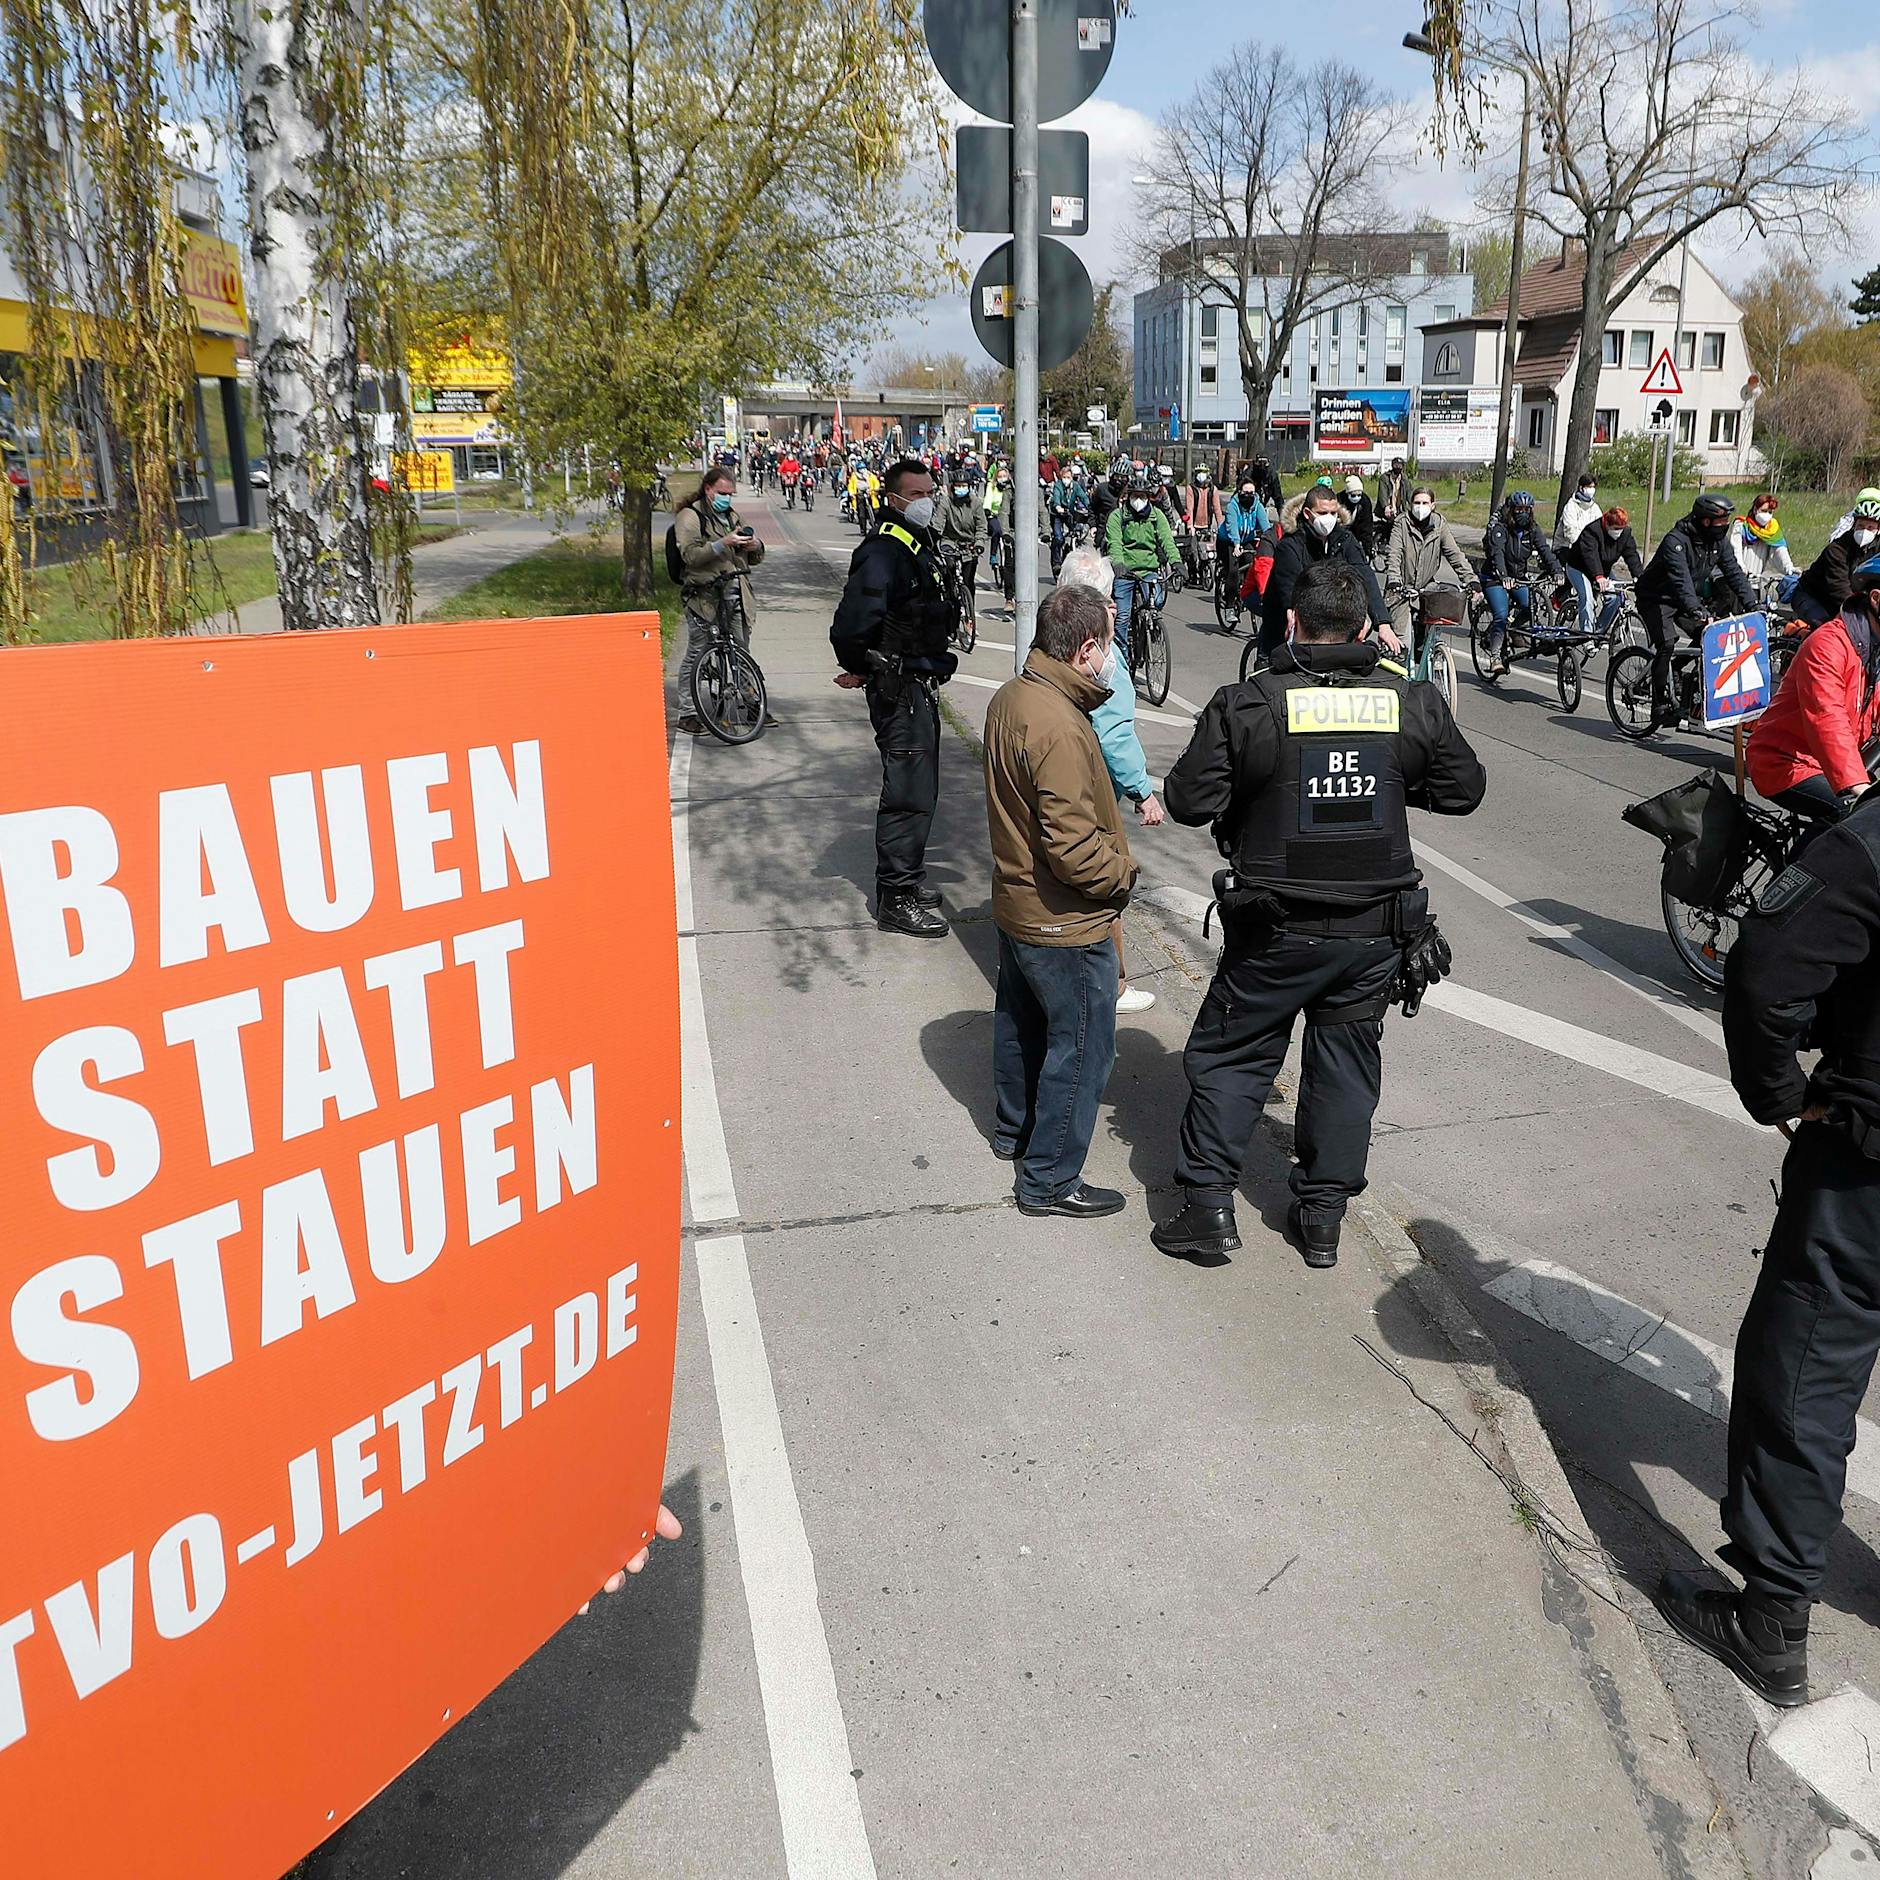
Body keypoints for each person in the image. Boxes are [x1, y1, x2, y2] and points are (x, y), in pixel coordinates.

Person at [1151, 562, 1486, 1265]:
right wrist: (1391, 778)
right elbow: (1462, 790)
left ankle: (1209, 1209)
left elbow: (1187, 801)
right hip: (1373, 933)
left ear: (1293, 623)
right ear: (1365, 628)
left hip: (1274, 928)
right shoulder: (1409, 699)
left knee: (1235, 1058)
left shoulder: (1251, 701)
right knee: (1344, 1070)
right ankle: (1323, 1220)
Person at [1655, 782, 1880, 1710]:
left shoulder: (1870, 842)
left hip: (1866, 1171)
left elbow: (1766, 967)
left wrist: (1780, 1094)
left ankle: (1773, 1621)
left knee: (1805, 1368)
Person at [983, 582, 1139, 1219]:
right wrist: (1123, 874)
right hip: (1063, 921)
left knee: (1022, 1028)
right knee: (1081, 1051)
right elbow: (1073, 849)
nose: (1111, 658)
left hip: (1019, 905)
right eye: (1107, 644)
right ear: (1085, 649)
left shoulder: (1014, 696)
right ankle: (1048, 1179)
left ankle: (1014, 1134)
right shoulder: (1061, 726)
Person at [830, 459, 958, 938]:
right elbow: (850, 625)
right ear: (895, 498)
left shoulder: (912, 543)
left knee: (922, 792)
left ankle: (909, 880)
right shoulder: (883, 551)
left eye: (931, 491)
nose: (928, 500)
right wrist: (865, 666)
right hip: (898, 688)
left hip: (917, 685)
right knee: (906, 794)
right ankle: (895, 898)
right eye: (918, 493)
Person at [1061, 545, 1167, 1016]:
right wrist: (1144, 791)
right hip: (1094, 788)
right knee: (1108, 882)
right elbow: (1115, 731)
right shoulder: (1102, 655)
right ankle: (1114, 987)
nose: (1114, 608)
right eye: (1107, 600)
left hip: (1060, 779)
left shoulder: (1049, 643)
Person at [1747, 550, 1880, 826]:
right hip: (1786, 761)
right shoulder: (1829, 645)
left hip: (1839, 762)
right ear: (1876, 599)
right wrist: (1857, 786)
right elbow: (1827, 718)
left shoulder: (1875, 650)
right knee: (1854, 817)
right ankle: (1799, 870)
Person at [1637, 492, 1757, 728]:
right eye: (1721, 522)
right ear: (1705, 521)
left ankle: (1674, 671)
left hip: (1685, 598)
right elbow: (1680, 580)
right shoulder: (1676, 542)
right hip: (1656, 597)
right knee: (1667, 643)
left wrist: (1753, 604)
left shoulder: (1718, 542)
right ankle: (1659, 704)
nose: (1725, 527)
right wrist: (1698, 611)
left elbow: (1733, 573)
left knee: (1711, 638)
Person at [675, 466, 765, 737]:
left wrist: (756, 546)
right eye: (723, 493)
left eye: (731, 493)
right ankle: (688, 712)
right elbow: (690, 556)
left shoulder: (731, 516)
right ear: (708, 489)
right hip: (704, 595)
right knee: (698, 651)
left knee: (741, 651)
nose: (727, 498)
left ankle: (750, 704)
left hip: (735, 592)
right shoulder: (690, 516)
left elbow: (754, 558)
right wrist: (721, 543)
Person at [1258, 483, 1391, 661]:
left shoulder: (1345, 540)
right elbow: (1291, 587)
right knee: (1272, 674)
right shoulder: (1290, 545)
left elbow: (1364, 574)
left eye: (1333, 513)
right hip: (1284, 623)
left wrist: (1381, 622)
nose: (1328, 518)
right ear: (1307, 514)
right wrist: (1292, 611)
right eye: (1322, 513)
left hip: (1329, 622)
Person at [1478, 490, 1563, 675]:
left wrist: (1557, 570)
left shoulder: (1532, 529)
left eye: (1527, 509)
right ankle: (1494, 657)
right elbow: (1497, 554)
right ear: (1511, 510)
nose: (1523, 512)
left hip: (1518, 577)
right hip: (1494, 578)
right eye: (1519, 509)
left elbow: (1545, 550)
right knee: (1501, 614)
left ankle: (1515, 630)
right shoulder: (1500, 529)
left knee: (1530, 606)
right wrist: (1503, 576)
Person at [1383, 486, 1475, 643]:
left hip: (1426, 589)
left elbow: (1454, 554)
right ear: (1410, 504)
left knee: (1430, 639)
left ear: (1433, 505)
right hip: (1401, 590)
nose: (1420, 507)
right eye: (1417, 502)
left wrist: (1471, 579)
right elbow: (1394, 555)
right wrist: (1394, 579)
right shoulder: (1401, 524)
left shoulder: (1439, 525)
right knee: (1402, 642)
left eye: (1425, 503)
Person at [1102, 471, 1177, 661]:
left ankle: (1149, 630)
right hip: (1125, 571)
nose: (1138, 500)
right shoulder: (1117, 516)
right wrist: (1118, 564)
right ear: (1129, 496)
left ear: (1148, 498)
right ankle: (1123, 656)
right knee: (1122, 616)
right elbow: (1115, 543)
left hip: (1149, 569)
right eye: (1135, 496)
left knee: (1156, 602)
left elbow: (1167, 541)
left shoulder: (1157, 516)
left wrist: (1177, 562)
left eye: (1142, 496)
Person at [1792, 495, 1880, 627]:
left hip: (1847, 599)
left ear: (1878, 529)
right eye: (1860, 526)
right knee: (1828, 630)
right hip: (1812, 596)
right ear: (1853, 525)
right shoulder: (1836, 550)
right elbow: (1839, 590)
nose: (1864, 531)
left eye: (1870, 527)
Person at [1565, 504, 1644, 641]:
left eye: (1621, 529)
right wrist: (1598, 576)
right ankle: (1587, 637)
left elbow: (1632, 556)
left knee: (1615, 598)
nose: (1618, 532)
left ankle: (1598, 632)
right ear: (1606, 524)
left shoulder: (1625, 535)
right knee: (1587, 598)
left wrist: (1639, 577)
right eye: (1615, 529)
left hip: (1603, 569)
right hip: (1578, 568)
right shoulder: (1592, 531)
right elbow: (1590, 555)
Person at [936, 464, 988, 621]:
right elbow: (938, 524)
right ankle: (950, 602)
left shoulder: (976, 503)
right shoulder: (946, 502)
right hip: (950, 540)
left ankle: (969, 613)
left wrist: (979, 543)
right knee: (950, 567)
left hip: (969, 543)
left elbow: (981, 527)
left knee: (968, 580)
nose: (961, 489)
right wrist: (932, 540)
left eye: (964, 486)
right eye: (958, 486)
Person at [1553, 472, 1603, 630]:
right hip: (1565, 547)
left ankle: (1591, 602)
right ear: (1581, 488)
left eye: (1593, 487)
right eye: (1589, 487)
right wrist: (1584, 548)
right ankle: (1559, 597)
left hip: (1587, 550)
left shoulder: (1594, 508)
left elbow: (1601, 527)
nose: (1591, 490)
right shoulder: (1571, 506)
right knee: (1574, 569)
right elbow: (1570, 532)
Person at [1734, 493, 1798, 585]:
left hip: (1756, 580)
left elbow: (1779, 550)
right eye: (1764, 511)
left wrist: (1789, 568)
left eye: (1770, 512)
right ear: (1755, 510)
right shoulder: (1741, 526)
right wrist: (1740, 567)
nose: (1767, 515)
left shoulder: (1772, 531)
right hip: (1737, 577)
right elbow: (1736, 549)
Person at [1047, 463, 1090, 576]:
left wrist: (1090, 508)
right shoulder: (1058, 485)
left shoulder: (1075, 486)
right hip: (1057, 513)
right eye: (1064, 477)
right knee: (1058, 537)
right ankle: (1056, 562)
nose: (1066, 479)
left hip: (1069, 513)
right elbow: (1056, 496)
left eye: (1068, 477)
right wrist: (1057, 507)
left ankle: (1070, 553)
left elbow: (1084, 497)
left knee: (1076, 533)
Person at [1338, 475, 1378, 562]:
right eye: (1353, 495)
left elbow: (1367, 527)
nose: (1356, 497)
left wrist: (1368, 548)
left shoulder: (1365, 502)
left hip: (1358, 530)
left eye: (1359, 494)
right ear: (1347, 493)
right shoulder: (1339, 500)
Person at [1089, 464, 1126, 543]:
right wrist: (1093, 525)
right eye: (1117, 476)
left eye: (1122, 477)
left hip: (1123, 532)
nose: (1119, 480)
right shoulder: (1102, 489)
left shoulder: (1129, 492)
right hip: (1103, 529)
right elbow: (1092, 508)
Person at [1377, 457, 1408, 537]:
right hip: (1388, 509)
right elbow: (1382, 493)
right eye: (1396, 465)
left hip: (1399, 508)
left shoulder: (1404, 479)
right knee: (1390, 524)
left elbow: (1409, 493)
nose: (1397, 467)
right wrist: (1385, 506)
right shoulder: (1385, 478)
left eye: (1400, 465)